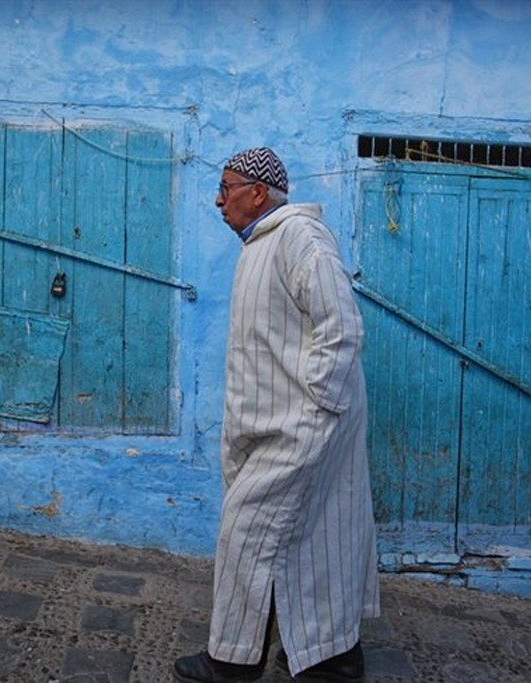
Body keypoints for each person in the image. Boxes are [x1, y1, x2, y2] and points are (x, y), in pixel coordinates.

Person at [173, 148, 380, 683]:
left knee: (247, 531)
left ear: (258, 193)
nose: (218, 199)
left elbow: (341, 328)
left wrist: (317, 409)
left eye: (227, 187)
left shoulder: (299, 238)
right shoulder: (260, 245)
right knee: (316, 537)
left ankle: (232, 661)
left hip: (301, 425)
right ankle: (333, 658)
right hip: (278, 425)